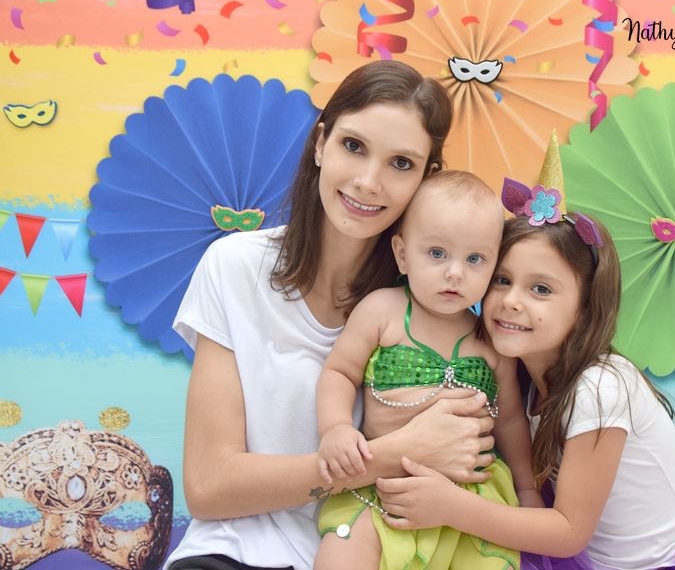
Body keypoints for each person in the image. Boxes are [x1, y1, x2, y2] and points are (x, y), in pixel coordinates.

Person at [374, 140, 675, 570]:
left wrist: (451, 507)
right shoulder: (514, 371)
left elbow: (569, 533)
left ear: (585, 307)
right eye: (502, 280)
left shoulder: (600, 387)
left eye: (541, 289)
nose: (511, 301)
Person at [164, 60, 500, 570]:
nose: (368, 182)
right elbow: (209, 488)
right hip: (230, 553)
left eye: (401, 163)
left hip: (373, 552)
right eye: (353, 146)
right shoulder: (234, 268)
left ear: (426, 179)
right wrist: (392, 454)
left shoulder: (438, 306)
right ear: (321, 143)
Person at [314, 170, 542, 570]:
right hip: (383, 487)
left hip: (471, 497)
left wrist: (527, 488)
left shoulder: (490, 340)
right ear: (403, 255)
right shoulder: (382, 311)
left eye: (475, 259)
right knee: (342, 554)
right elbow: (340, 373)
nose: (455, 272)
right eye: (437, 253)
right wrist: (336, 428)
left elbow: (509, 420)